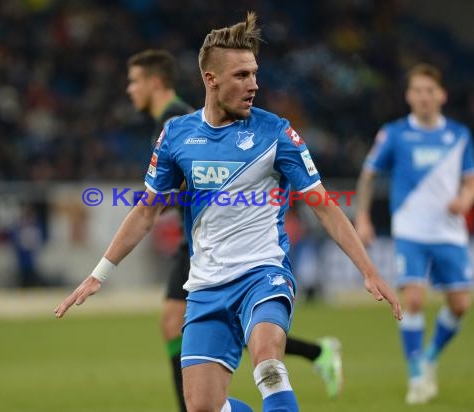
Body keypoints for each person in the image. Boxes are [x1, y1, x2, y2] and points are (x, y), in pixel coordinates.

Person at [56, 12, 401, 412]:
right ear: (211, 79)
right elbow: (146, 213)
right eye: (241, 75)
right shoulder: (177, 134)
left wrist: (369, 270)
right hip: (205, 286)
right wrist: (100, 274)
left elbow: (323, 206)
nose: (253, 84)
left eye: (254, 73)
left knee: (269, 361)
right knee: (202, 407)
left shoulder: (277, 133)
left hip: (263, 274)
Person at [127, 49, 345, 410]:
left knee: (233, 328)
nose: (129, 90)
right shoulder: (170, 123)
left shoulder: (181, 119)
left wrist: (156, 202)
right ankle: (312, 353)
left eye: (134, 81)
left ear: (154, 83)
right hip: (201, 240)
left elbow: (208, 178)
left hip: (214, 241)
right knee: (184, 324)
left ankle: (311, 354)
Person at [354, 63, 474, 405]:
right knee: (411, 300)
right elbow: (368, 175)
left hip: (450, 233)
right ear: (409, 96)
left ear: (441, 95)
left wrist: (465, 199)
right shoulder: (394, 133)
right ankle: (415, 375)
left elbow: (472, 179)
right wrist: (363, 217)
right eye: (417, 91)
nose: (424, 97)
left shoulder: (458, 134)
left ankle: (429, 358)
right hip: (410, 231)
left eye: (430, 90)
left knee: (460, 305)